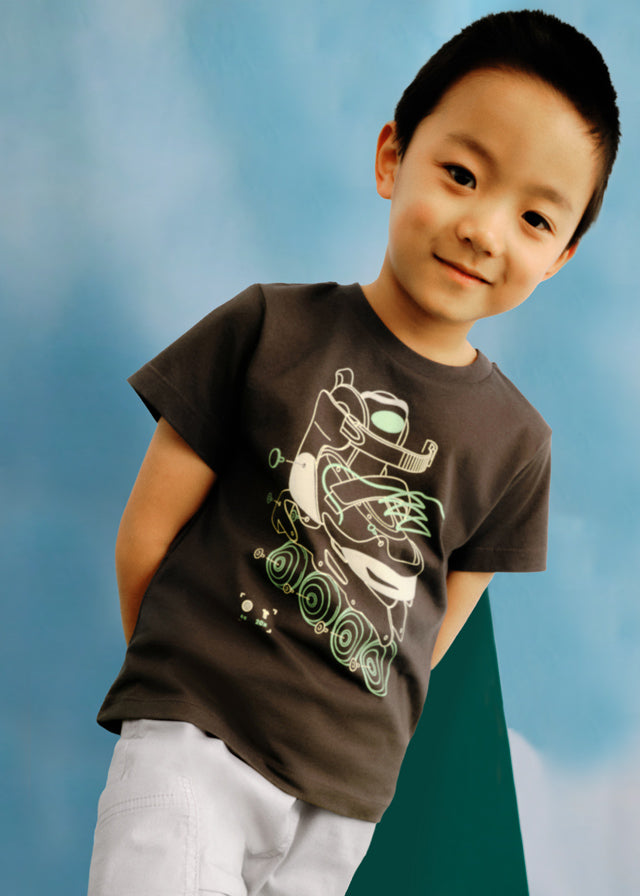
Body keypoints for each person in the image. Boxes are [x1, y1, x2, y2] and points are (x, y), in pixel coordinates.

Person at [87, 10, 620, 896]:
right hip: (193, 743)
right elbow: (146, 534)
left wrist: (346, 743)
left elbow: (426, 635)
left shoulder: (519, 448)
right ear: (391, 157)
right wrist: (178, 692)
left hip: (342, 804)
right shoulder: (267, 328)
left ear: (560, 257)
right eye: (461, 175)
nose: (485, 230)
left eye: (533, 217)